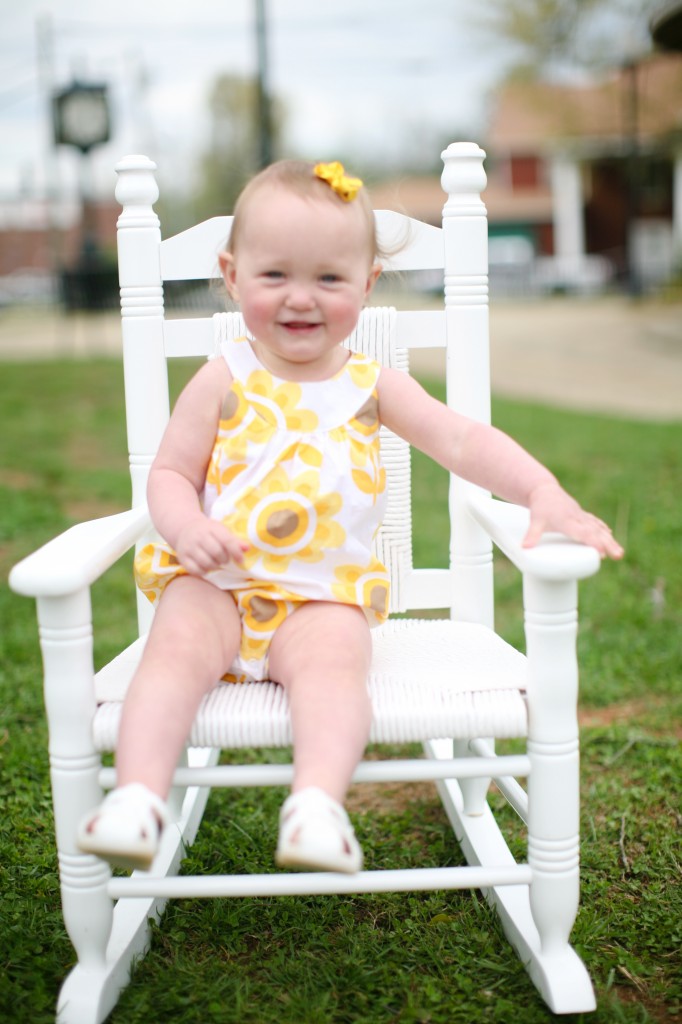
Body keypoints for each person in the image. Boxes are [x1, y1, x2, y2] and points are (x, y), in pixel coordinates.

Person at [77, 159, 624, 874]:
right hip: (216, 587)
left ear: (365, 285)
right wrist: (186, 530)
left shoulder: (371, 384)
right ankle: (138, 798)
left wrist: (540, 489)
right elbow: (171, 473)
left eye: (329, 279)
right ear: (231, 274)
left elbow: (462, 440)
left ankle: (316, 808)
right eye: (275, 276)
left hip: (321, 601)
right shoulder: (222, 376)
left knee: (337, 674)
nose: (300, 299)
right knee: (172, 656)